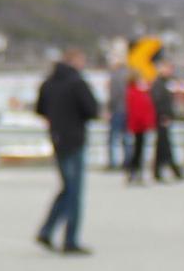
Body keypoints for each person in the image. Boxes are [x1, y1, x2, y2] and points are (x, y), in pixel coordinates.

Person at [33, 47, 100, 253]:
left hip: (57, 138)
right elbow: (92, 110)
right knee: (74, 191)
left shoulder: (48, 83)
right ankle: (70, 239)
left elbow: (39, 109)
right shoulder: (77, 83)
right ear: (75, 61)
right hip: (75, 139)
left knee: (67, 187)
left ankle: (47, 230)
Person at [122, 69, 159, 184]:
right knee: (138, 150)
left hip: (139, 125)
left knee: (138, 150)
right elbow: (139, 110)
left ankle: (135, 172)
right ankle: (135, 172)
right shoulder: (135, 92)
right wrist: (146, 123)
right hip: (139, 126)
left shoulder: (136, 91)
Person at [151, 67, 184, 182]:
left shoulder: (163, 84)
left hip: (162, 118)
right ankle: (174, 170)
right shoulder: (159, 85)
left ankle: (159, 171)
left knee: (161, 146)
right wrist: (164, 115)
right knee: (165, 146)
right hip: (162, 119)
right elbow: (158, 102)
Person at [104, 44, 134, 170]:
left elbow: (114, 94)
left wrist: (109, 109)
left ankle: (112, 162)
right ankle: (128, 161)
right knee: (127, 137)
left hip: (117, 110)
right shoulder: (129, 73)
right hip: (129, 110)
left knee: (113, 138)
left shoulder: (115, 75)